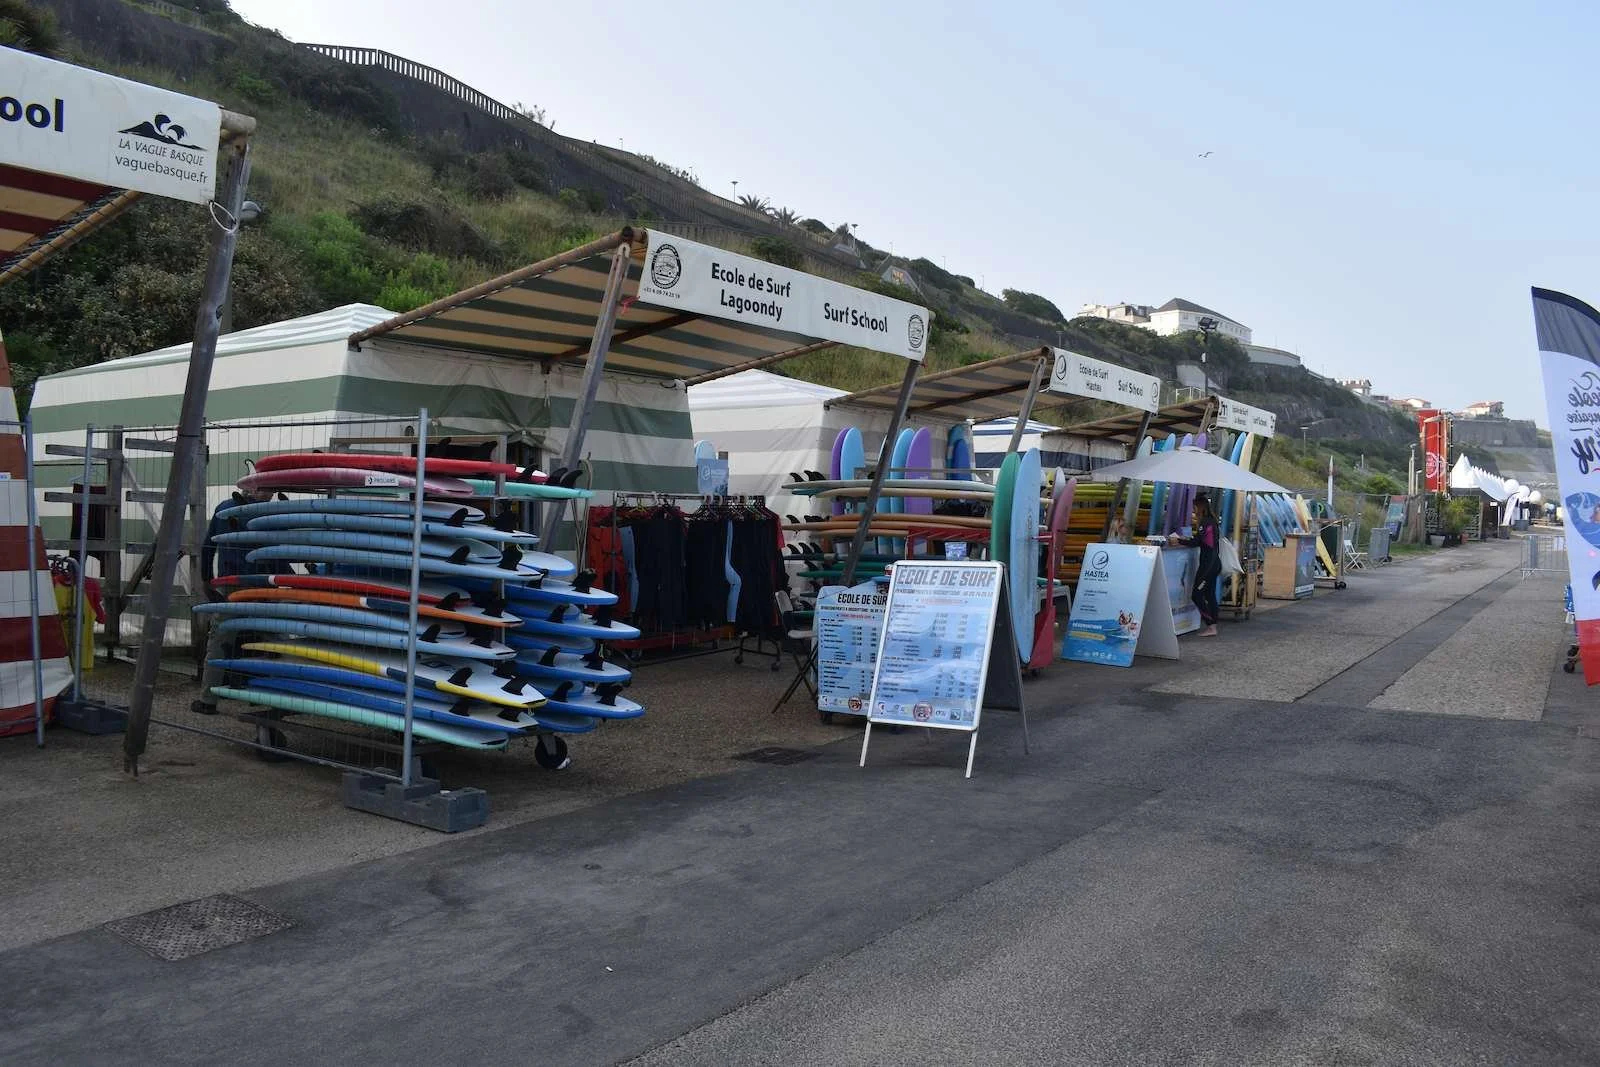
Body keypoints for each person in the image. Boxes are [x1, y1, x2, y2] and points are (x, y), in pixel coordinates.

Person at [1169, 494, 1220, 636]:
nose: (1193, 510)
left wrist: (1179, 541)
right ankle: (1213, 626)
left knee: (1196, 595)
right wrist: (1186, 539)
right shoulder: (1212, 521)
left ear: (1200, 507)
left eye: (1195, 507)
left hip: (1208, 566)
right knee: (1210, 595)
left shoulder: (1206, 522)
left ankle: (1211, 625)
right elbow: (1201, 539)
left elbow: (1197, 542)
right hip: (1214, 563)